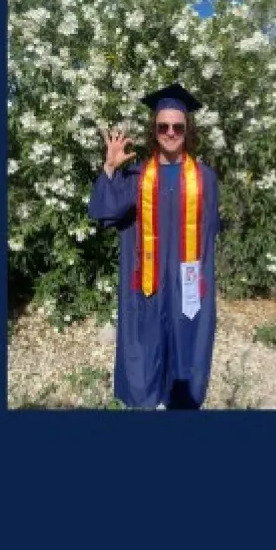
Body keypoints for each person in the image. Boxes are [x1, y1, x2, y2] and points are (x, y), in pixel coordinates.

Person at [88, 83, 221, 410]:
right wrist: (109, 168)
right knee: (144, 358)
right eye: (163, 126)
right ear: (154, 130)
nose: (171, 132)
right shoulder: (136, 175)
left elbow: (209, 234)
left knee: (186, 351)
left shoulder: (205, 178)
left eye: (178, 126)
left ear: (187, 130)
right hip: (145, 286)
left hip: (188, 283)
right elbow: (103, 212)